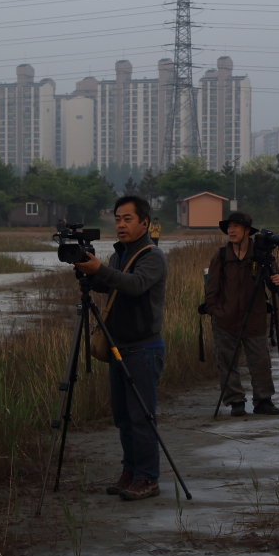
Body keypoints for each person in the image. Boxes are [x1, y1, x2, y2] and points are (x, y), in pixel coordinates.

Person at [74, 195, 168, 501]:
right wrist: (88, 270)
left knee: (142, 417)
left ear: (145, 223)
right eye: (117, 219)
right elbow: (112, 285)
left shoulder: (152, 255)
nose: (121, 225)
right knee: (124, 417)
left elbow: (135, 285)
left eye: (128, 219)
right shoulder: (119, 254)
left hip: (143, 348)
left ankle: (148, 478)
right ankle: (130, 471)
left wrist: (99, 269)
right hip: (118, 347)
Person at [204, 211, 279, 417]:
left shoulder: (260, 255)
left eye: (236, 226)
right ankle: (235, 402)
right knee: (226, 361)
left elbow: (276, 283)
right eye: (229, 227)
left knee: (260, 361)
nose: (231, 230)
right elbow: (211, 290)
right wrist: (216, 311)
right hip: (225, 319)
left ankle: (263, 401)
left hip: (254, 317)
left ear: (247, 230)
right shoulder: (221, 256)